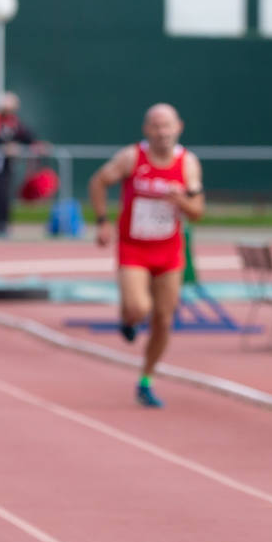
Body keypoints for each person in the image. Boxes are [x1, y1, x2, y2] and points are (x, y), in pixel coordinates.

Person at [88, 103, 205, 408]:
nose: (162, 132)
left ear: (179, 127)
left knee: (164, 320)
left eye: (167, 126)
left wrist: (181, 199)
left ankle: (146, 379)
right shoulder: (132, 157)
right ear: (146, 130)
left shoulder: (188, 163)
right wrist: (102, 222)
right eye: (155, 126)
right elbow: (98, 181)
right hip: (134, 248)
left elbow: (198, 212)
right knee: (139, 308)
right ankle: (127, 317)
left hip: (168, 251)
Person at [0, 91, 37, 238]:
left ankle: (3, 224)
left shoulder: (14, 121)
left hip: (8, 164)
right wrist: (4, 146)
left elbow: (26, 136)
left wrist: (34, 145)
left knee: (5, 193)